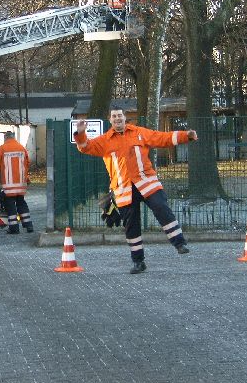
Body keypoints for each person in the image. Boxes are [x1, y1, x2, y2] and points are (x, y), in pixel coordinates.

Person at [74, 108, 197, 273]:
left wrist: (186, 135)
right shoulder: (104, 140)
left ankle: (179, 243)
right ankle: (138, 262)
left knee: (161, 206)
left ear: (125, 118)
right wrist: (81, 133)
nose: (117, 118)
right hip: (123, 189)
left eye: (120, 115)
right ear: (110, 120)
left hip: (146, 182)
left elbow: (162, 138)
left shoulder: (139, 132)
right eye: (114, 116)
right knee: (131, 225)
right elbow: (85, 147)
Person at [0, 130, 34, 234]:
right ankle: (29, 225)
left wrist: (3, 172)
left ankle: (14, 228)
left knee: (10, 204)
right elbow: (27, 162)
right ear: (13, 137)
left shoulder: (2, 148)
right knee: (21, 203)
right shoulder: (21, 147)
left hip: (9, 184)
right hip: (21, 183)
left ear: (5, 138)